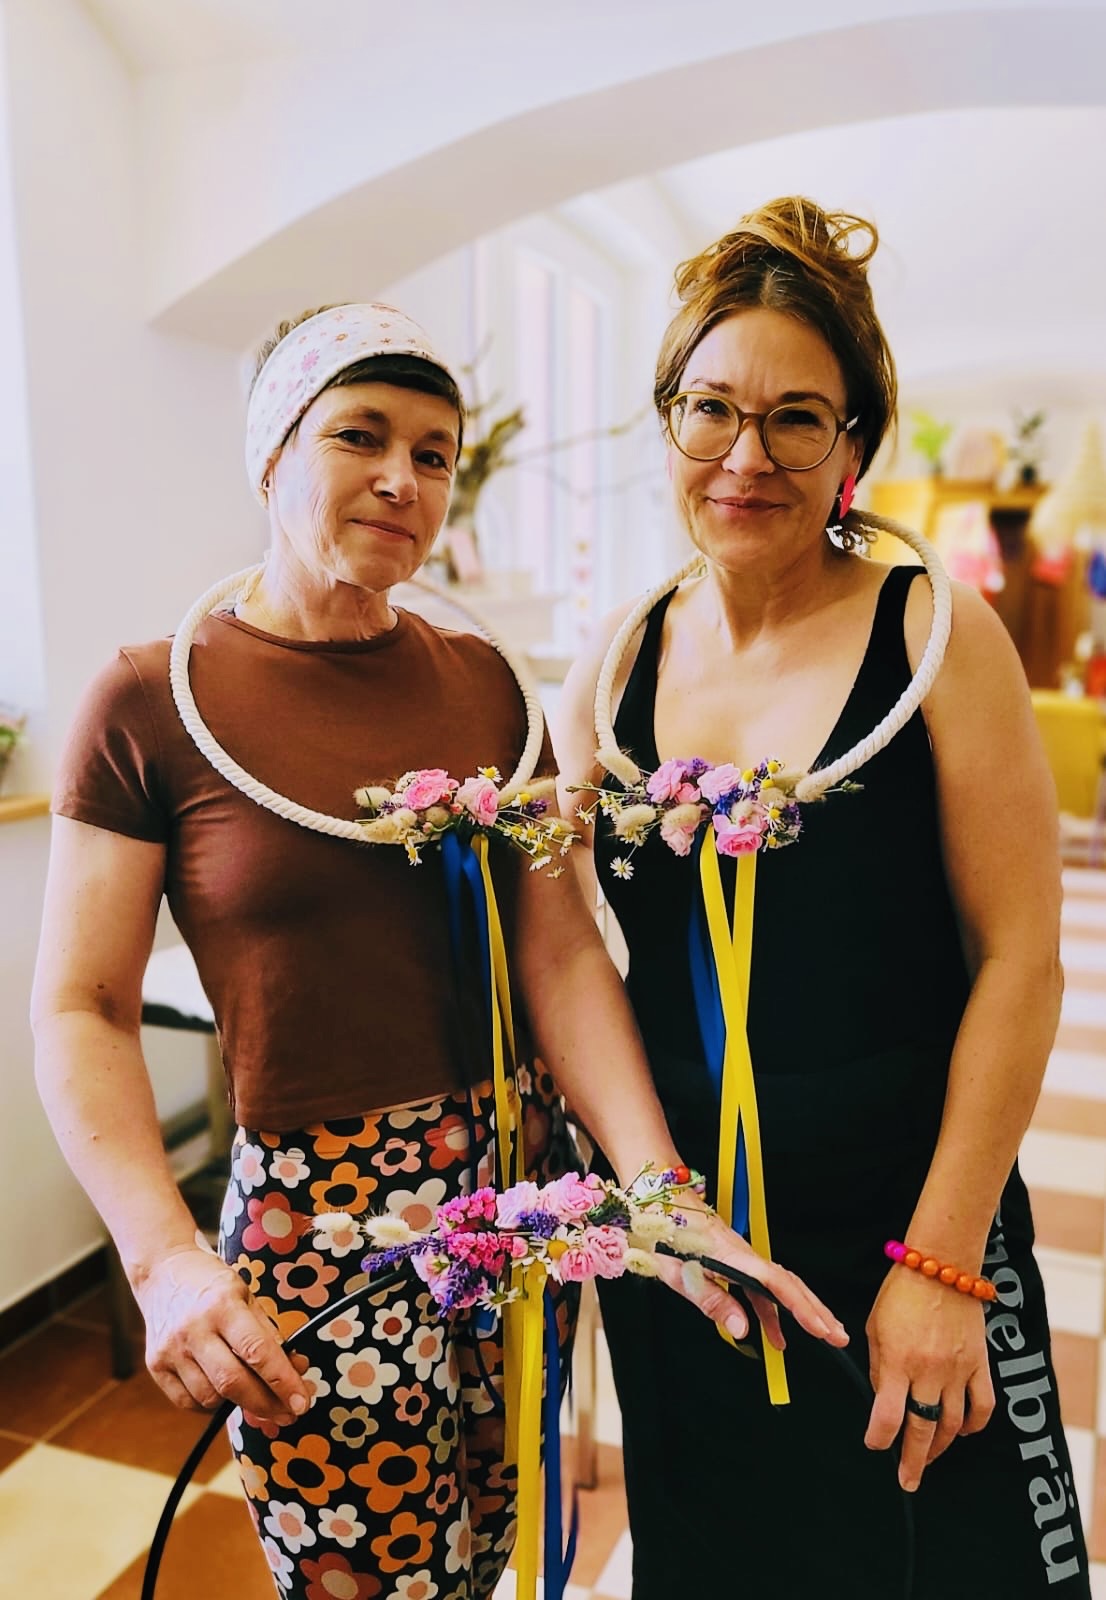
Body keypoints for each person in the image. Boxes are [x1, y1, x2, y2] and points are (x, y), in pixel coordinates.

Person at [31, 302, 844, 1600]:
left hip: (515, 1190)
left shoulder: (480, 685)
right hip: (315, 1226)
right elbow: (80, 1006)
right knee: (359, 1576)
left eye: (436, 452)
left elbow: (561, 957)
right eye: (362, 436)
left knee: (494, 1551)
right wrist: (163, 1259)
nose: (403, 480)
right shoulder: (147, 702)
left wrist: (653, 1186)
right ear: (271, 452)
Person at [555, 198, 1088, 1598]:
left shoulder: (931, 633)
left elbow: (1021, 958)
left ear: (853, 445)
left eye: (799, 417)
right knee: (721, 1562)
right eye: (711, 408)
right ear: (663, 418)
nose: (748, 455)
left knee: (953, 1564)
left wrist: (945, 1265)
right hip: (689, 1247)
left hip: (905, 1215)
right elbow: (569, 960)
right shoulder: (611, 660)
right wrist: (651, 1200)